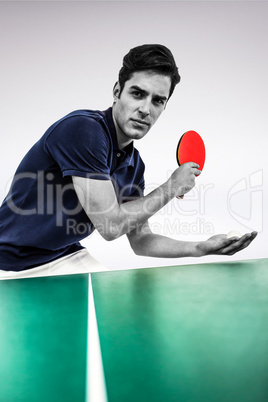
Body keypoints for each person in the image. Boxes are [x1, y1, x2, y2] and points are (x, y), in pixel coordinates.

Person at [0, 44, 257, 278]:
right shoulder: (82, 130)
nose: (146, 109)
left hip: (64, 255)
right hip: (7, 262)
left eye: (158, 100)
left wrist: (201, 248)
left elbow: (141, 240)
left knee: (120, 321)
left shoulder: (134, 165)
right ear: (116, 92)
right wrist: (171, 187)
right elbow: (110, 226)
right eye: (137, 93)